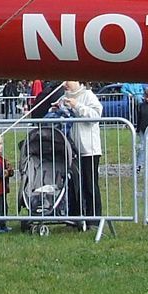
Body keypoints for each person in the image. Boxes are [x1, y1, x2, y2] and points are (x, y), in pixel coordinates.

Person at [61, 81, 103, 227]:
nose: (65, 84)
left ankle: (94, 219)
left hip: (89, 150)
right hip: (72, 150)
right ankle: (75, 216)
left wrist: (77, 106)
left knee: (90, 184)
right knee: (73, 184)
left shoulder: (88, 95)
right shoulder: (64, 97)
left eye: (68, 80)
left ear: (78, 81)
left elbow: (96, 116)